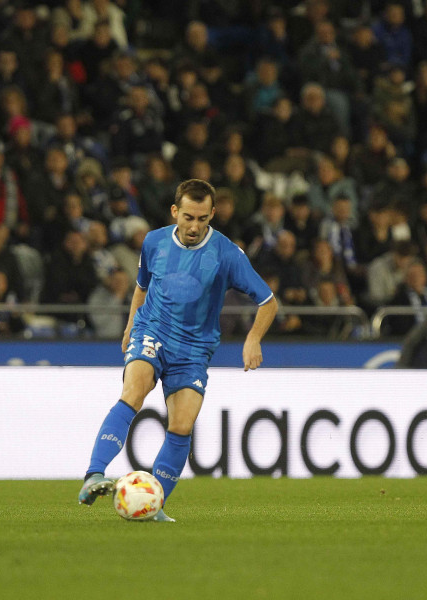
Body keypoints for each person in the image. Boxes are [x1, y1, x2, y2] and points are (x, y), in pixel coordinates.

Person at [77, 179, 278, 521]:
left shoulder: (227, 253)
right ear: (175, 212)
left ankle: (154, 504)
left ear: (212, 214)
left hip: (195, 348)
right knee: (134, 390)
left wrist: (253, 337)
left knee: (182, 425)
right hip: (152, 331)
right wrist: (130, 326)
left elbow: (268, 301)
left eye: (202, 219)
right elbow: (141, 289)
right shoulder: (154, 241)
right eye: (188, 217)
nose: (195, 226)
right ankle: (94, 475)